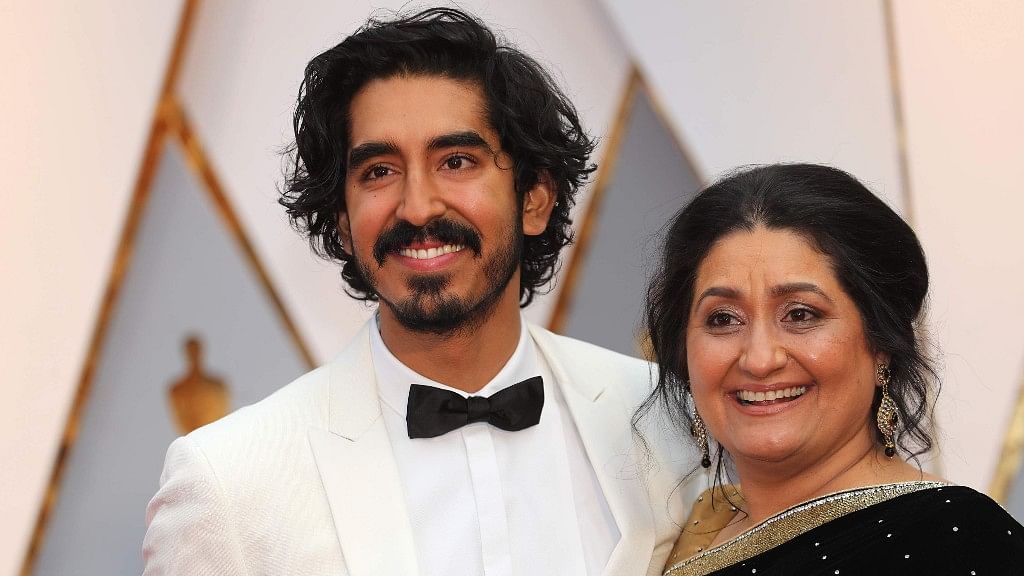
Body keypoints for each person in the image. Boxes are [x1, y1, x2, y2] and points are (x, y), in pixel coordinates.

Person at [142, 8, 691, 576]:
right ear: (342, 220)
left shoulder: (668, 419)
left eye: (456, 161)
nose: (418, 206)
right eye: (378, 171)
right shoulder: (227, 484)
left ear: (534, 198)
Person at [640, 163, 1024, 575]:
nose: (759, 358)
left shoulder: (958, 540)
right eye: (722, 319)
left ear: (881, 341)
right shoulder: (680, 533)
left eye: (801, 314)